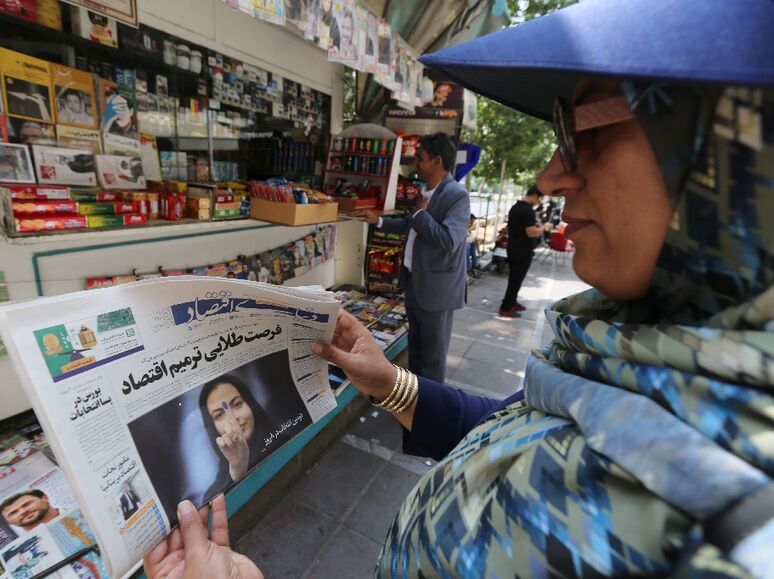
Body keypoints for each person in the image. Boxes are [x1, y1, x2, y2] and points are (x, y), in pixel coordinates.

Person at [145, 1, 773, 577]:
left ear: (737, 159)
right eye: (559, 133)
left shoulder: (734, 532)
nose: (552, 175)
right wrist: (389, 385)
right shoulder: (616, 357)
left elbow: (447, 240)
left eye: (587, 132)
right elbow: (513, 419)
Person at [363, 132, 470, 383]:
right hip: (414, 283)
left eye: (420, 158)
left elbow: (449, 240)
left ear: (437, 161)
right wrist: (378, 220)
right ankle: (415, 402)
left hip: (437, 292)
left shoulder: (456, 195)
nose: (415, 163)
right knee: (418, 353)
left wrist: (421, 216)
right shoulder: (426, 192)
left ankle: (431, 410)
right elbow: (410, 226)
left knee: (432, 359)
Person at [198, 375, 271, 502]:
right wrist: (237, 470)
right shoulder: (213, 495)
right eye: (219, 414)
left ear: (250, 403)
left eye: (237, 404)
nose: (232, 418)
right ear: (213, 428)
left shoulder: (285, 440)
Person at [498, 185, 550, 317]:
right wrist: (544, 227)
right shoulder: (528, 210)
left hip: (513, 247)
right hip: (522, 250)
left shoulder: (516, 207)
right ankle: (505, 307)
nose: (539, 202)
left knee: (515, 279)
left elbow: (520, 227)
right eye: (540, 199)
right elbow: (531, 232)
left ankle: (512, 301)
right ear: (534, 196)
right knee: (516, 280)